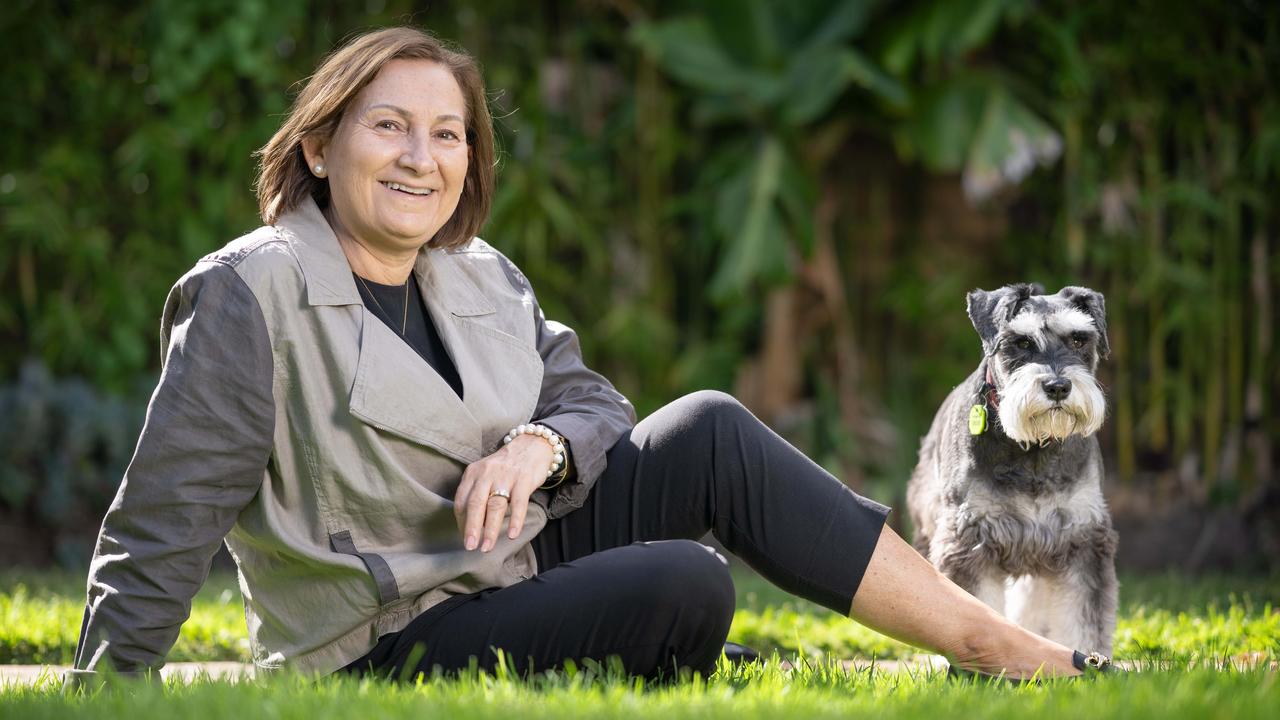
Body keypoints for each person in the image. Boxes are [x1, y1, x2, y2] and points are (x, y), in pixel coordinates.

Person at [67, 27, 1105, 686]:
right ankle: (685, 643)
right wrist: (106, 686)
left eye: (448, 133)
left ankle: (989, 642)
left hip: (509, 557)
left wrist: (536, 452)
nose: (420, 158)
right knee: (683, 585)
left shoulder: (476, 271)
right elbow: (166, 510)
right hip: (379, 638)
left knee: (707, 426)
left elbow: (591, 404)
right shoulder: (250, 291)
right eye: (387, 126)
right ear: (317, 146)